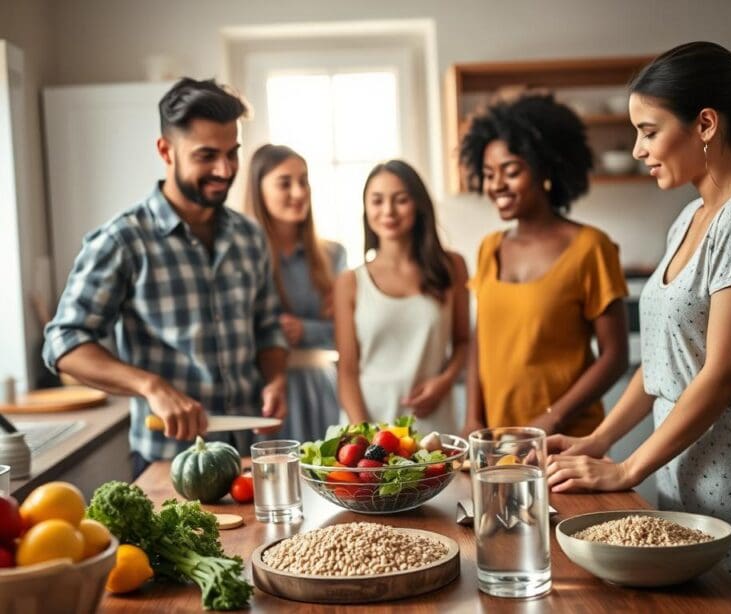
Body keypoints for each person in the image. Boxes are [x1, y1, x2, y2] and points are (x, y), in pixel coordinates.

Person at [546, 42, 731, 602]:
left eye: (649, 130)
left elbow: (725, 373)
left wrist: (627, 470)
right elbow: (662, 365)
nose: (640, 149)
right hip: (681, 466)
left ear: (706, 125)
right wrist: (596, 443)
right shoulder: (690, 217)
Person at [43, 78, 288, 476]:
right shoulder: (123, 240)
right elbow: (63, 343)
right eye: (207, 155)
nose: (224, 170)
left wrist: (275, 379)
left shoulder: (249, 237)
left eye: (232, 154)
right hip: (168, 461)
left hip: (249, 456)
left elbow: (268, 328)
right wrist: (150, 386)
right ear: (165, 151)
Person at [459, 94, 629, 439]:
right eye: (489, 174)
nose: (496, 186)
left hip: (565, 441)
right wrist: (472, 419)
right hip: (496, 444)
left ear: (546, 170)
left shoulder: (590, 248)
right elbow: (481, 341)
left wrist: (550, 419)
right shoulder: (489, 248)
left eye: (511, 171)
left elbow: (615, 356)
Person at [334, 159, 469, 434]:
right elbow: (347, 371)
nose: (388, 211)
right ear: (366, 208)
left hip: (432, 424)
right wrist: (366, 436)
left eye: (400, 199)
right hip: (368, 426)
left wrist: (444, 381)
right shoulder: (350, 282)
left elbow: (464, 341)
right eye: (377, 200)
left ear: (419, 205)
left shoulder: (452, 266)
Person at [243, 144, 346, 442]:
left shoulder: (332, 255)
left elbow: (347, 332)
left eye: (304, 181)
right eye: (285, 183)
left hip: (320, 389)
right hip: (264, 394)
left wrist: (305, 330)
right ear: (258, 189)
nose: (299, 192)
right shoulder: (243, 257)